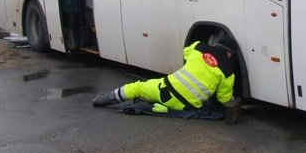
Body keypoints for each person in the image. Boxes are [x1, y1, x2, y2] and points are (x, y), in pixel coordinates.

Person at [92, 31, 242, 124]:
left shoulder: (199, 47)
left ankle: (105, 99)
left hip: (166, 88)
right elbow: (224, 99)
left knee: (137, 87)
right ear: (230, 54)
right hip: (186, 105)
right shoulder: (228, 71)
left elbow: (186, 53)